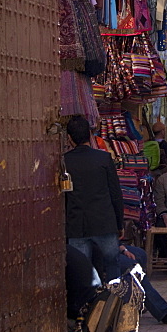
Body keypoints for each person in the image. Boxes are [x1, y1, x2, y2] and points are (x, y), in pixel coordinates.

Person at [65, 244, 167, 326]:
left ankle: (141, 302)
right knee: (132, 268)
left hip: (104, 242)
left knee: (139, 254)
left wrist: (122, 248)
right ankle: (163, 312)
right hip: (94, 249)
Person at [63, 116, 123, 281]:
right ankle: (115, 301)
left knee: (83, 271)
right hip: (104, 223)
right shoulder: (103, 159)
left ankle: (89, 305)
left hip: (78, 226)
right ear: (90, 135)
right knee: (112, 264)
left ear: (69, 138)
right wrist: (119, 223)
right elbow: (115, 193)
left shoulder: (65, 162)